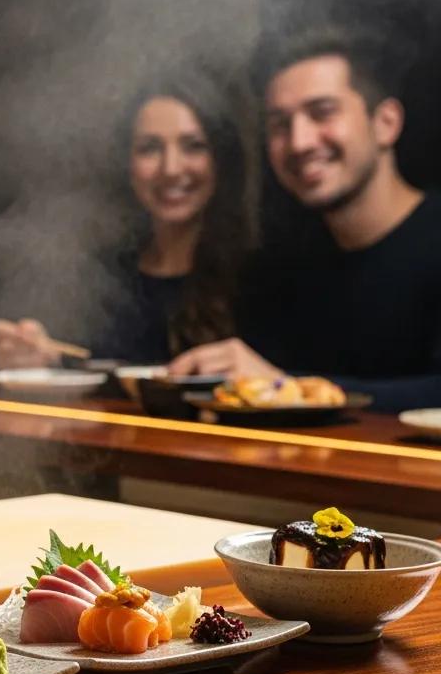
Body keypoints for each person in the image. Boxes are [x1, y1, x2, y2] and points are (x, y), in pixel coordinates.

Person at [168, 27, 441, 414]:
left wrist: (288, 389)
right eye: (280, 124)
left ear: (386, 123)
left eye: (322, 113)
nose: (299, 141)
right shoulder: (286, 267)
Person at [0, 75, 252, 369]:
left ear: (221, 158)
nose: (171, 168)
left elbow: (300, 390)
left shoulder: (262, 276)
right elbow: (90, 380)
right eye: (149, 148)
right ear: (127, 164)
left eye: (193, 146)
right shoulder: (105, 278)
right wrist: (42, 360)